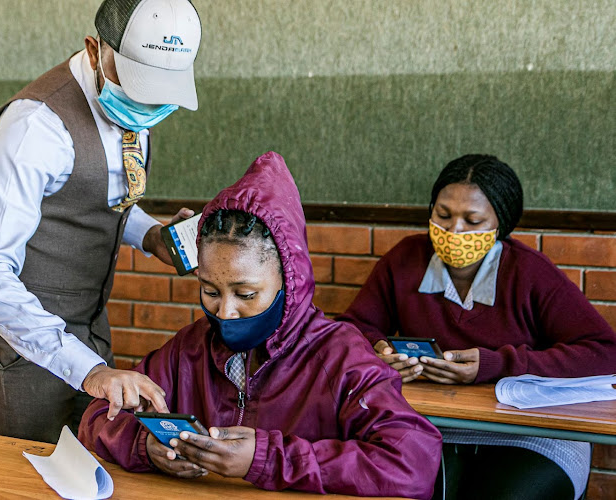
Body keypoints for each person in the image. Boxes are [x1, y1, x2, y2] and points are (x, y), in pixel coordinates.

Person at [79, 152, 442, 498]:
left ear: (290, 278)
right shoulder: (189, 349)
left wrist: (267, 459)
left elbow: (414, 462)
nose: (225, 311)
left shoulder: (340, 355)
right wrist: (145, 447)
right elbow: (99, 417)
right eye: (209, 290)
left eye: (246, 293)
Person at [0, 0, 203, 442]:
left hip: (84, 326)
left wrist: (152, 236)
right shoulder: (34, 126)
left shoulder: (130, 103)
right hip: (9, 338)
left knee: (93, 459)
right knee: (34, 471)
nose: (150, 102)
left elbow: (91, 196)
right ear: (95, 49)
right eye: (140, 82)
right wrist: (90, 371)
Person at [337, 154, 616, 500]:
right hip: (431, 426)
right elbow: (352, 328)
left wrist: (495, 365)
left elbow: (605, 351)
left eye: (472, 220)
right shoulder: (405, 259)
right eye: (443, 215)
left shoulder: (530, 272)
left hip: (531, 435)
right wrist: (378, 352)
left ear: (501, 225)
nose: (454, 231)